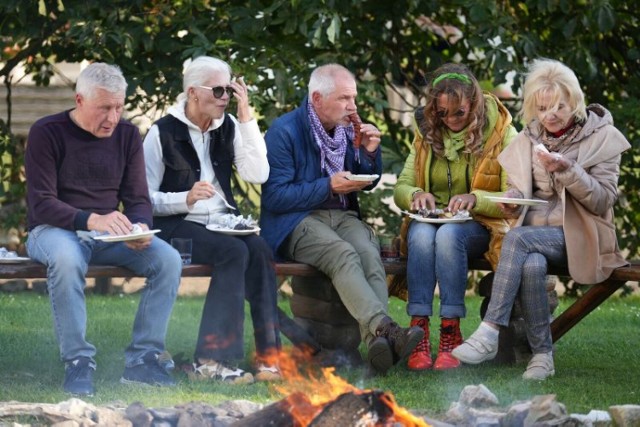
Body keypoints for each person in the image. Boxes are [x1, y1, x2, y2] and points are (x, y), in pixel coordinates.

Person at [452, 58, 630, 380]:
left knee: (518, 239)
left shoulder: (603, 138)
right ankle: (543, 358)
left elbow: (603, 199)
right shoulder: (529, 138)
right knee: (531, 263)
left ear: (574, 101)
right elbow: (518, 189)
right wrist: (512, 204)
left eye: (559, 107)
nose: (551, 115)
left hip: (581, 236)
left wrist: (568, 170)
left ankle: (490, 330)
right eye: (543, 108)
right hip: (533, 237)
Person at [25, 63, 181, 396]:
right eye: (104, 108)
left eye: (119, 107)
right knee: (67, 260)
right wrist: (92, 220)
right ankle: (78, 362)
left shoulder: (126, 136)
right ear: (79, 100)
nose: (113, 117)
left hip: (110, 236)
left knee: (168, 260)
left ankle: (143, 360)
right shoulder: (46, 132)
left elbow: (138, 199)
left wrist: (138, 227)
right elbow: (41, 203)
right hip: (53, 230)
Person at [260, 63, 423, 375]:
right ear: (318, 99)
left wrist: (369, 153)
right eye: (345, 99)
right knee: (342, 253)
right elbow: (275, 197)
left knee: (368, 253)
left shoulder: (348, 130)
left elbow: (363, 179)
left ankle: (379, 345)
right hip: (297, 220)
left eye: (354, 98)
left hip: (341, 214)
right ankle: (387, 332)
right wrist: (327, 185)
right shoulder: (284, 131)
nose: (353, 106)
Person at [143, 56, 281, 385]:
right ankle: (211, 359)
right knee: (233, 253)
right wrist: (184, 198)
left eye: (229, 91)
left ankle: (269, 357)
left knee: (259, 249)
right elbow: (143, 200)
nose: (225, 97)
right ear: (193, 92)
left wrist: (246, 117)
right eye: (218, 90)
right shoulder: (160, 134)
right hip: (177, 225)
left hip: (222, 223)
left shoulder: (229, 127)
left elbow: (258, 173)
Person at [393, 63, 517, 371]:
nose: (450, 120)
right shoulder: (426, 133)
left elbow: (513, 195)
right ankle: (418, 331)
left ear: (473, 104)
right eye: (442, 113)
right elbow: (402, 186)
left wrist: (475, 199)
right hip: (433, 222)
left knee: (448, 236)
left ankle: (451, 332)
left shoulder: (502, 132)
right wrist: (415, 194)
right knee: (420, 234)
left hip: (482, 225)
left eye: (458, 112)